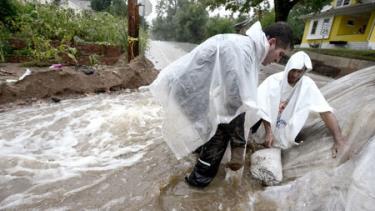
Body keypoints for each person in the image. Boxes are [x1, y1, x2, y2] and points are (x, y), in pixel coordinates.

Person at [149, 21, 293, 188]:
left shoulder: (247, 48)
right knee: (219, 132)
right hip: (186, 88)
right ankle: (197, 184)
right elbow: (234, 98)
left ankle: (199, 158)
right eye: (280, 54)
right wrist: (239, 145)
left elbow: (235, 96)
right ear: (272, 42)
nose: (277, 60)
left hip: (189, 86)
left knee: (214, 124)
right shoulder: (243, 50)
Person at [251, 51, 346, 158]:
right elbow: (263, 107)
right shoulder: (274, 81)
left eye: (300, 72)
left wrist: (339, 140)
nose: (295, 75)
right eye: (293, 70)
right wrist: (268, 132)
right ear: (288, 67)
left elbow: (325, 112)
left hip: (286, 136)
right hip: (264, 130)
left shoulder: (307, 85)